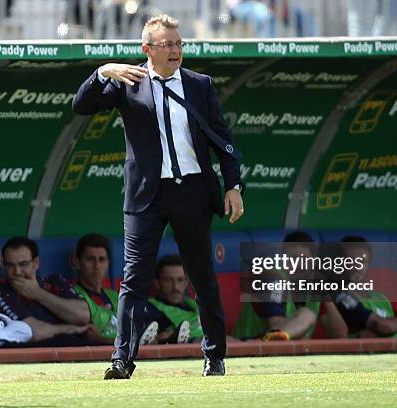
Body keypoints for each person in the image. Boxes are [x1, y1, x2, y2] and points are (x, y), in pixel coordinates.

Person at [72, 14, 244, 378]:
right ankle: (122, 360)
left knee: (201, 276)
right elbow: (81, 105)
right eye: (167, 45)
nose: (175, 50)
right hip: (146, 195)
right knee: (134, 278)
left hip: (193, 190)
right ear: (147, 50)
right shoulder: (128, 83)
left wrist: (234, 186)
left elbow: (224, 141)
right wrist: (103, 72)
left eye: (179, 44)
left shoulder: (200, 84)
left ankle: (214, 356)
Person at [232, 231, 347, 340]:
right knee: (306, 315)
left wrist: (326, 296)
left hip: (281, 353)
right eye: (292, 259)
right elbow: (277, 325)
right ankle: (254, 343)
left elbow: (340, 335)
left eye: (304, 259)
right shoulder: (273, 278)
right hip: (249, 348)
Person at [0, 236, 100, 346]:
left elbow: (84, 315)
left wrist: (37, 293)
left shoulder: (55, 281)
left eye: (23, 264)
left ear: (36, 263)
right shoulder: (2, 293)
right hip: (40, 353)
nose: (17, 271)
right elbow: (35, 333)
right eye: (10, 265)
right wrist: (74, 329)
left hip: (80, 347)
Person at [333, 236, 397, 338]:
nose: (356, 266)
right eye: (349, 261)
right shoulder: (340, 295)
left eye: (362, 262)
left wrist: (384, 333)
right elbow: (385, 326)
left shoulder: (382, 296)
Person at [143, 255, 202, 344]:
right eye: (168, 280)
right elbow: (154, 341)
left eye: (180, 280)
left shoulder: (196, 304)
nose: (175, 287)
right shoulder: (150, 308)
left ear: (187, 282)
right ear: (157, 283)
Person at [71, 233, 118, 341]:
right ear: (77, 262)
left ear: (108, 263)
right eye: (90, 259)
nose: (97, 266)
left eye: (101, 260)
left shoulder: (116, 296)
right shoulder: (72, 295)